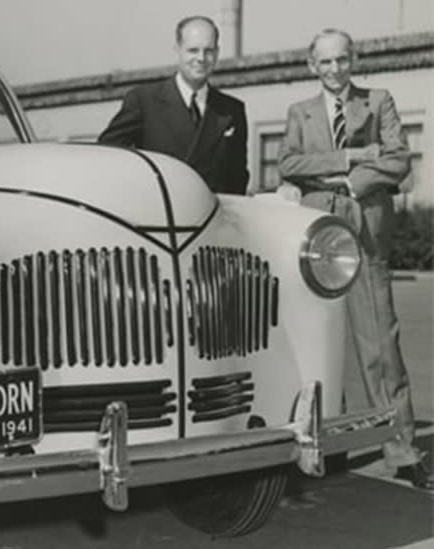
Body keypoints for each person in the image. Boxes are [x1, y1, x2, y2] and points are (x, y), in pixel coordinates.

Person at [278, 28, 432, 490]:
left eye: (342, 60)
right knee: (316, 342)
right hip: (315, 237)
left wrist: (347, 179)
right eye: (324, 62)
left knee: (380, 346)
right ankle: (330, 445)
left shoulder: (378, 101)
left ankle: (402, 447)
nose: (334, 69)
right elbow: (288, 164)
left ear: (354, 59)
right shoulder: (298, 113)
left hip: (365, 231)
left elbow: (398, 159)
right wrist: (352, 155)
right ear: (311, 65)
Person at [98, 16, 249, 195]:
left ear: (217, 53)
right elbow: (107, 156)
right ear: (177, 50)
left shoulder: (232, 110)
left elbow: (237, 177)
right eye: (193, 50)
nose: (201, 58)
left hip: (210, 218)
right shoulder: (144, 101)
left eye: (208, 51)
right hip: (158, 214)